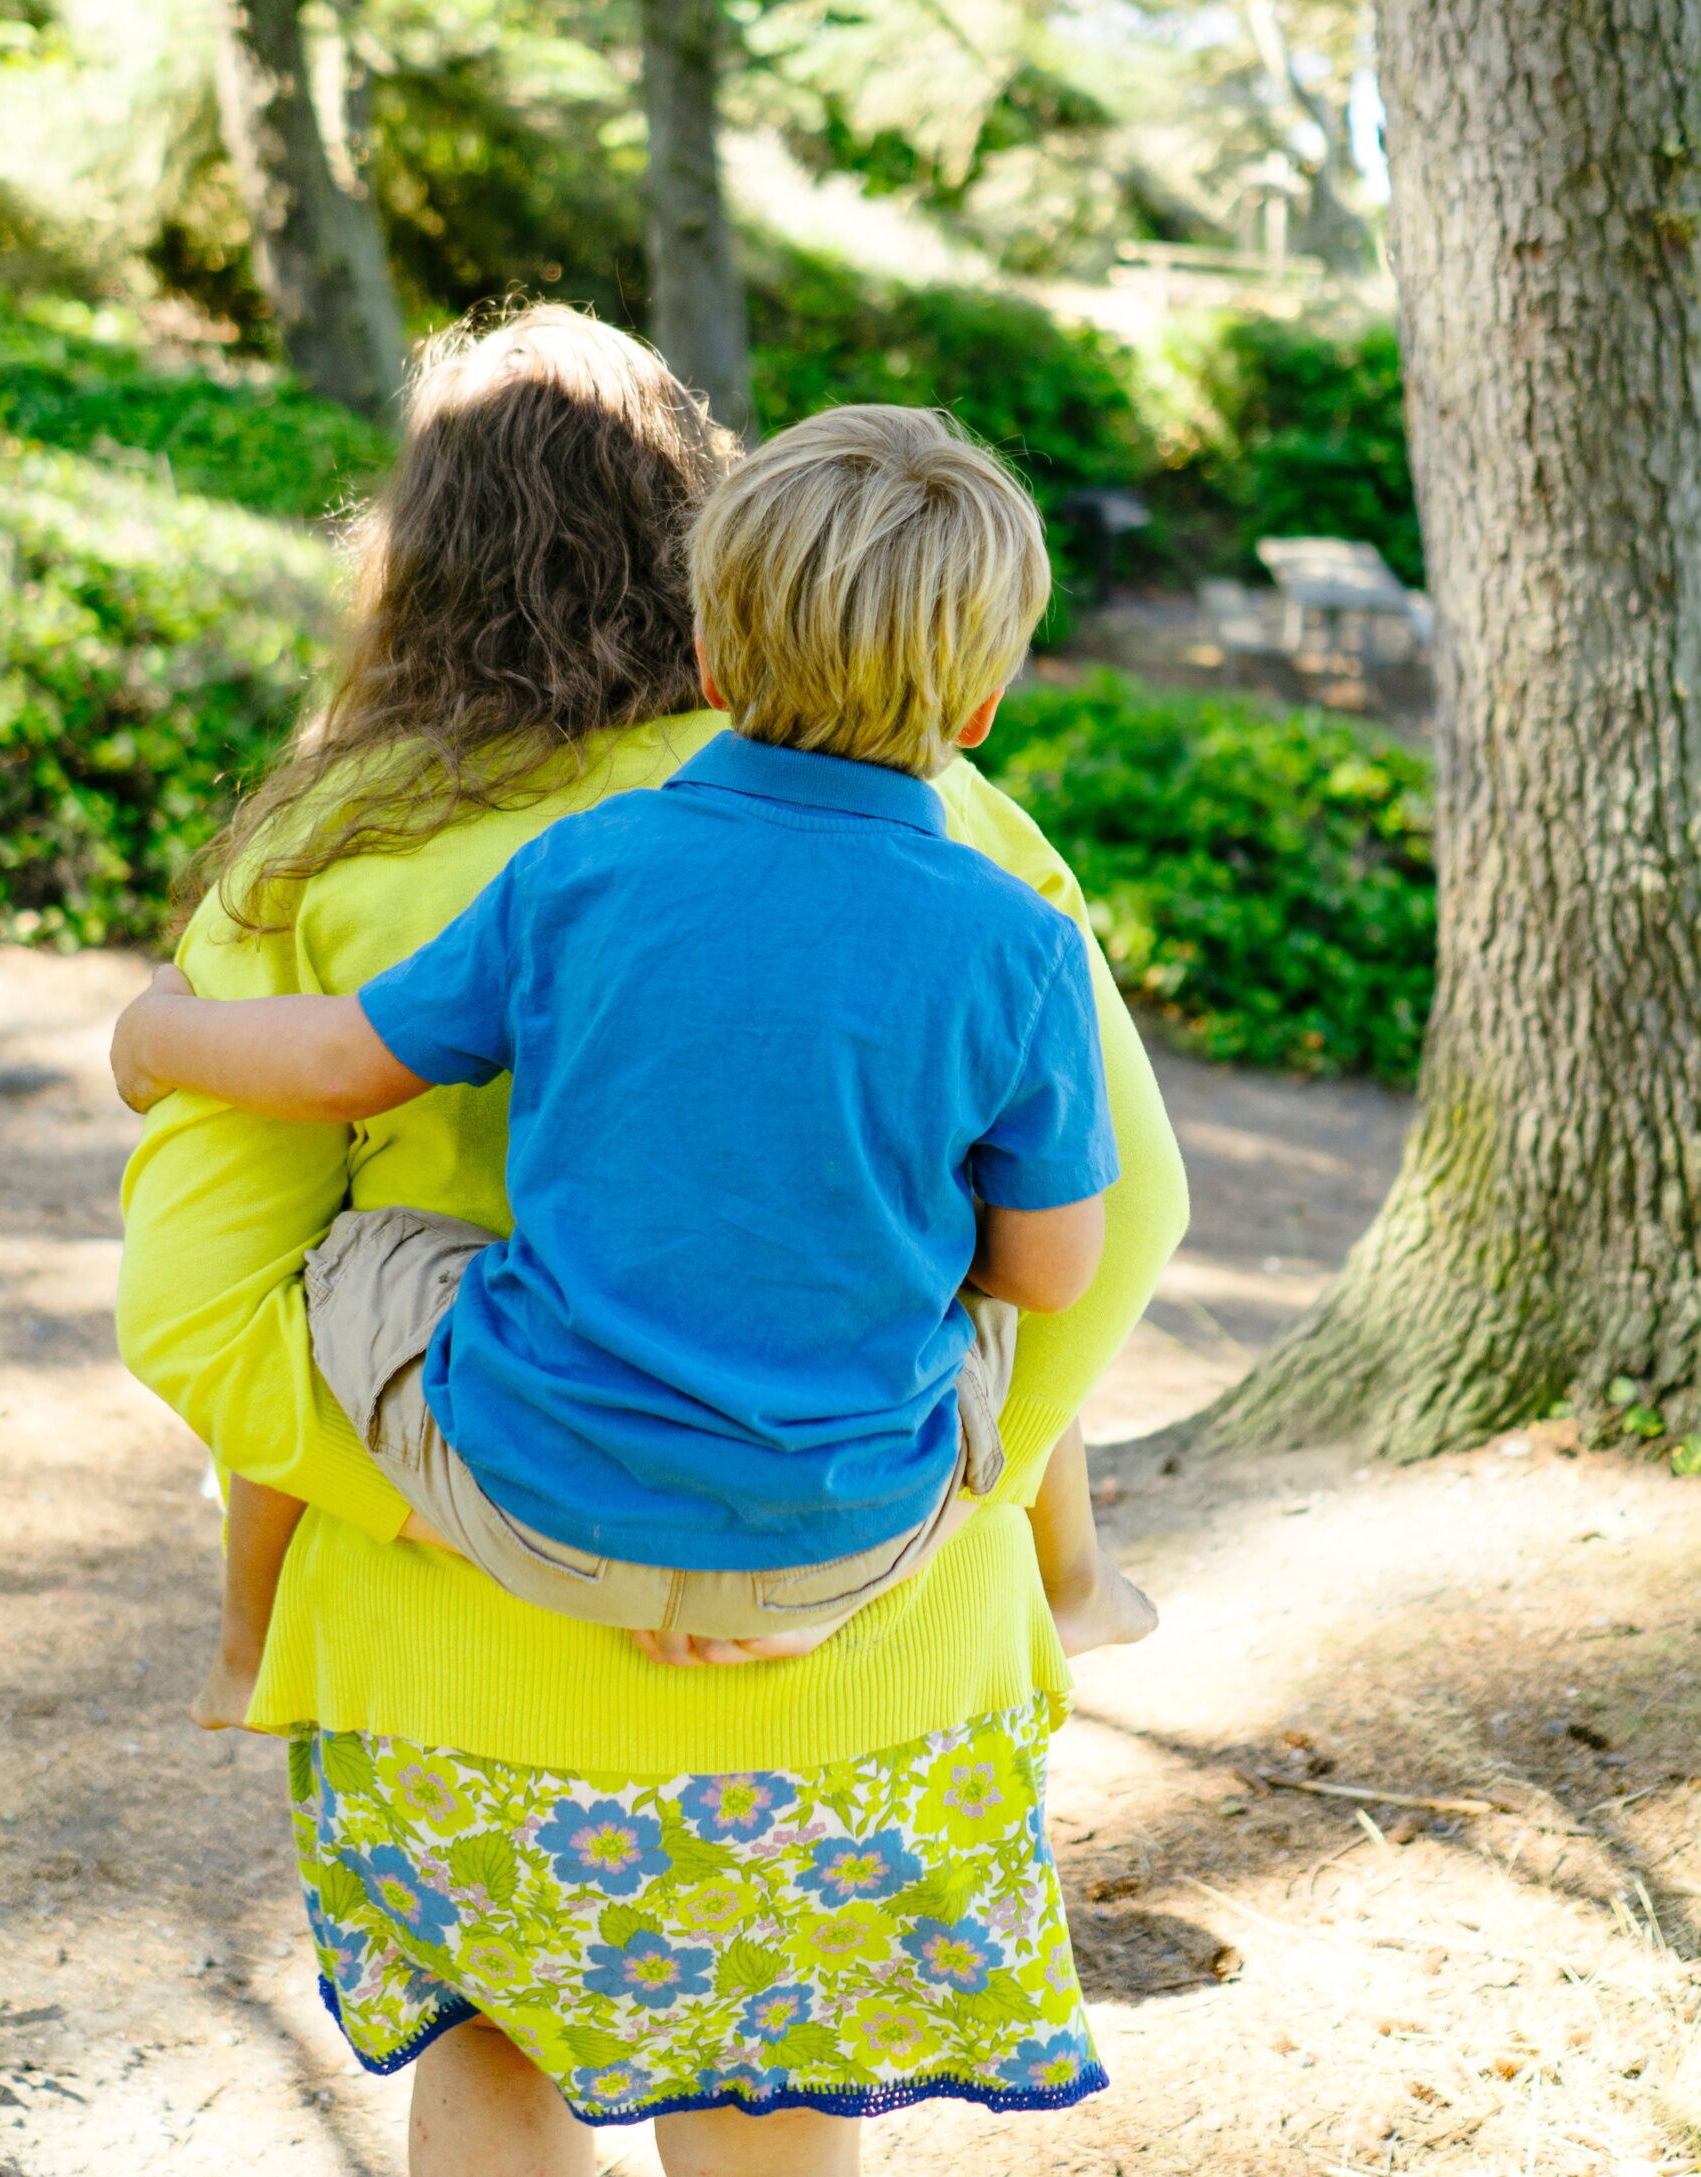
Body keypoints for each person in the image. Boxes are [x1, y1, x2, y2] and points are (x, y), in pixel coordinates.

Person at [113, 305, 1188, 2167]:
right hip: (863, 1648)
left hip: (461, 1648)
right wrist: (922, 1489)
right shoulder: (969, 838)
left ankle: (252, 1634)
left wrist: (493, 1519)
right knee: (772, 2101)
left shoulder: (338, 852)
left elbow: (205, 1308)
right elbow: (1112, 1233)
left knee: (495, 2059)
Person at [112, 404, 1158, 1692]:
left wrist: (164, 1036)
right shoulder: (1021, 942)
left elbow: (343, 1067)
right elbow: (1055, 1278)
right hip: (845, 1533)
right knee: (971, 1316)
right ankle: (945, 1582)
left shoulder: (583, 871)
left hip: (541, 1508)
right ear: (986, 705)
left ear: (714, 656)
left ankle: (249, 1638)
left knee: (354, 1250)